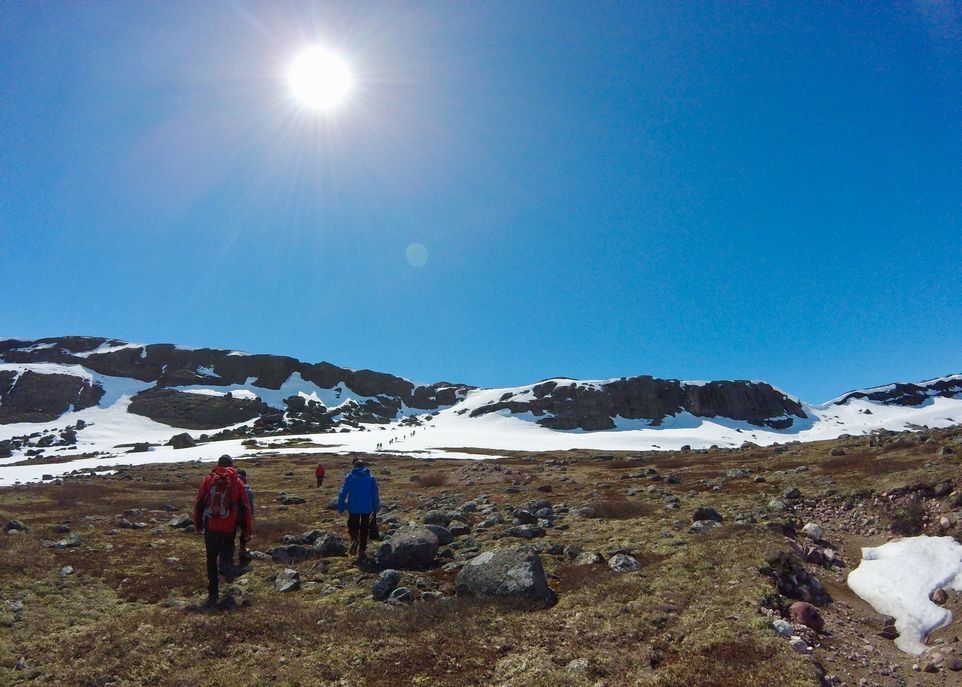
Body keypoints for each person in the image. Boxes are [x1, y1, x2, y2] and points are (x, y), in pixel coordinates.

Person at [193, 455, 252, 609]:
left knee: (211, 559)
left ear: (218, 465)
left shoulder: (208, 480)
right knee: (227, 553)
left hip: (211, 526)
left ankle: (213, 593)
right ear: (232, 465)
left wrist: (198, 525)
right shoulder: (237, 482)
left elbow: (199, 503)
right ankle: (226, 569)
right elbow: (245, 508)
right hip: (229, 527)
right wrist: (246, 531)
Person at [337, 458, 380, 561]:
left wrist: (341, 506)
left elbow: (343, 492)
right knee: (364, 529)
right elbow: (375, 493)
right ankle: (361, 551)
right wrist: (376, 507)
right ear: (364, 467)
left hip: (353, 507)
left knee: (352, 526)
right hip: (367, 508)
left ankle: (354, 540)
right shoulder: (370, 477)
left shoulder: (350, 477)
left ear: (354, 466)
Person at [233, 469, 255, 570]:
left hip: (230, 516)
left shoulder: (230, 487)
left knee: (230, 535)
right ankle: (242, 550)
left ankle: (227, 554)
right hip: (243, 517)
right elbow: (250, 509)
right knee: (245, 533)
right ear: (245, 478)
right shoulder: (248, 490)